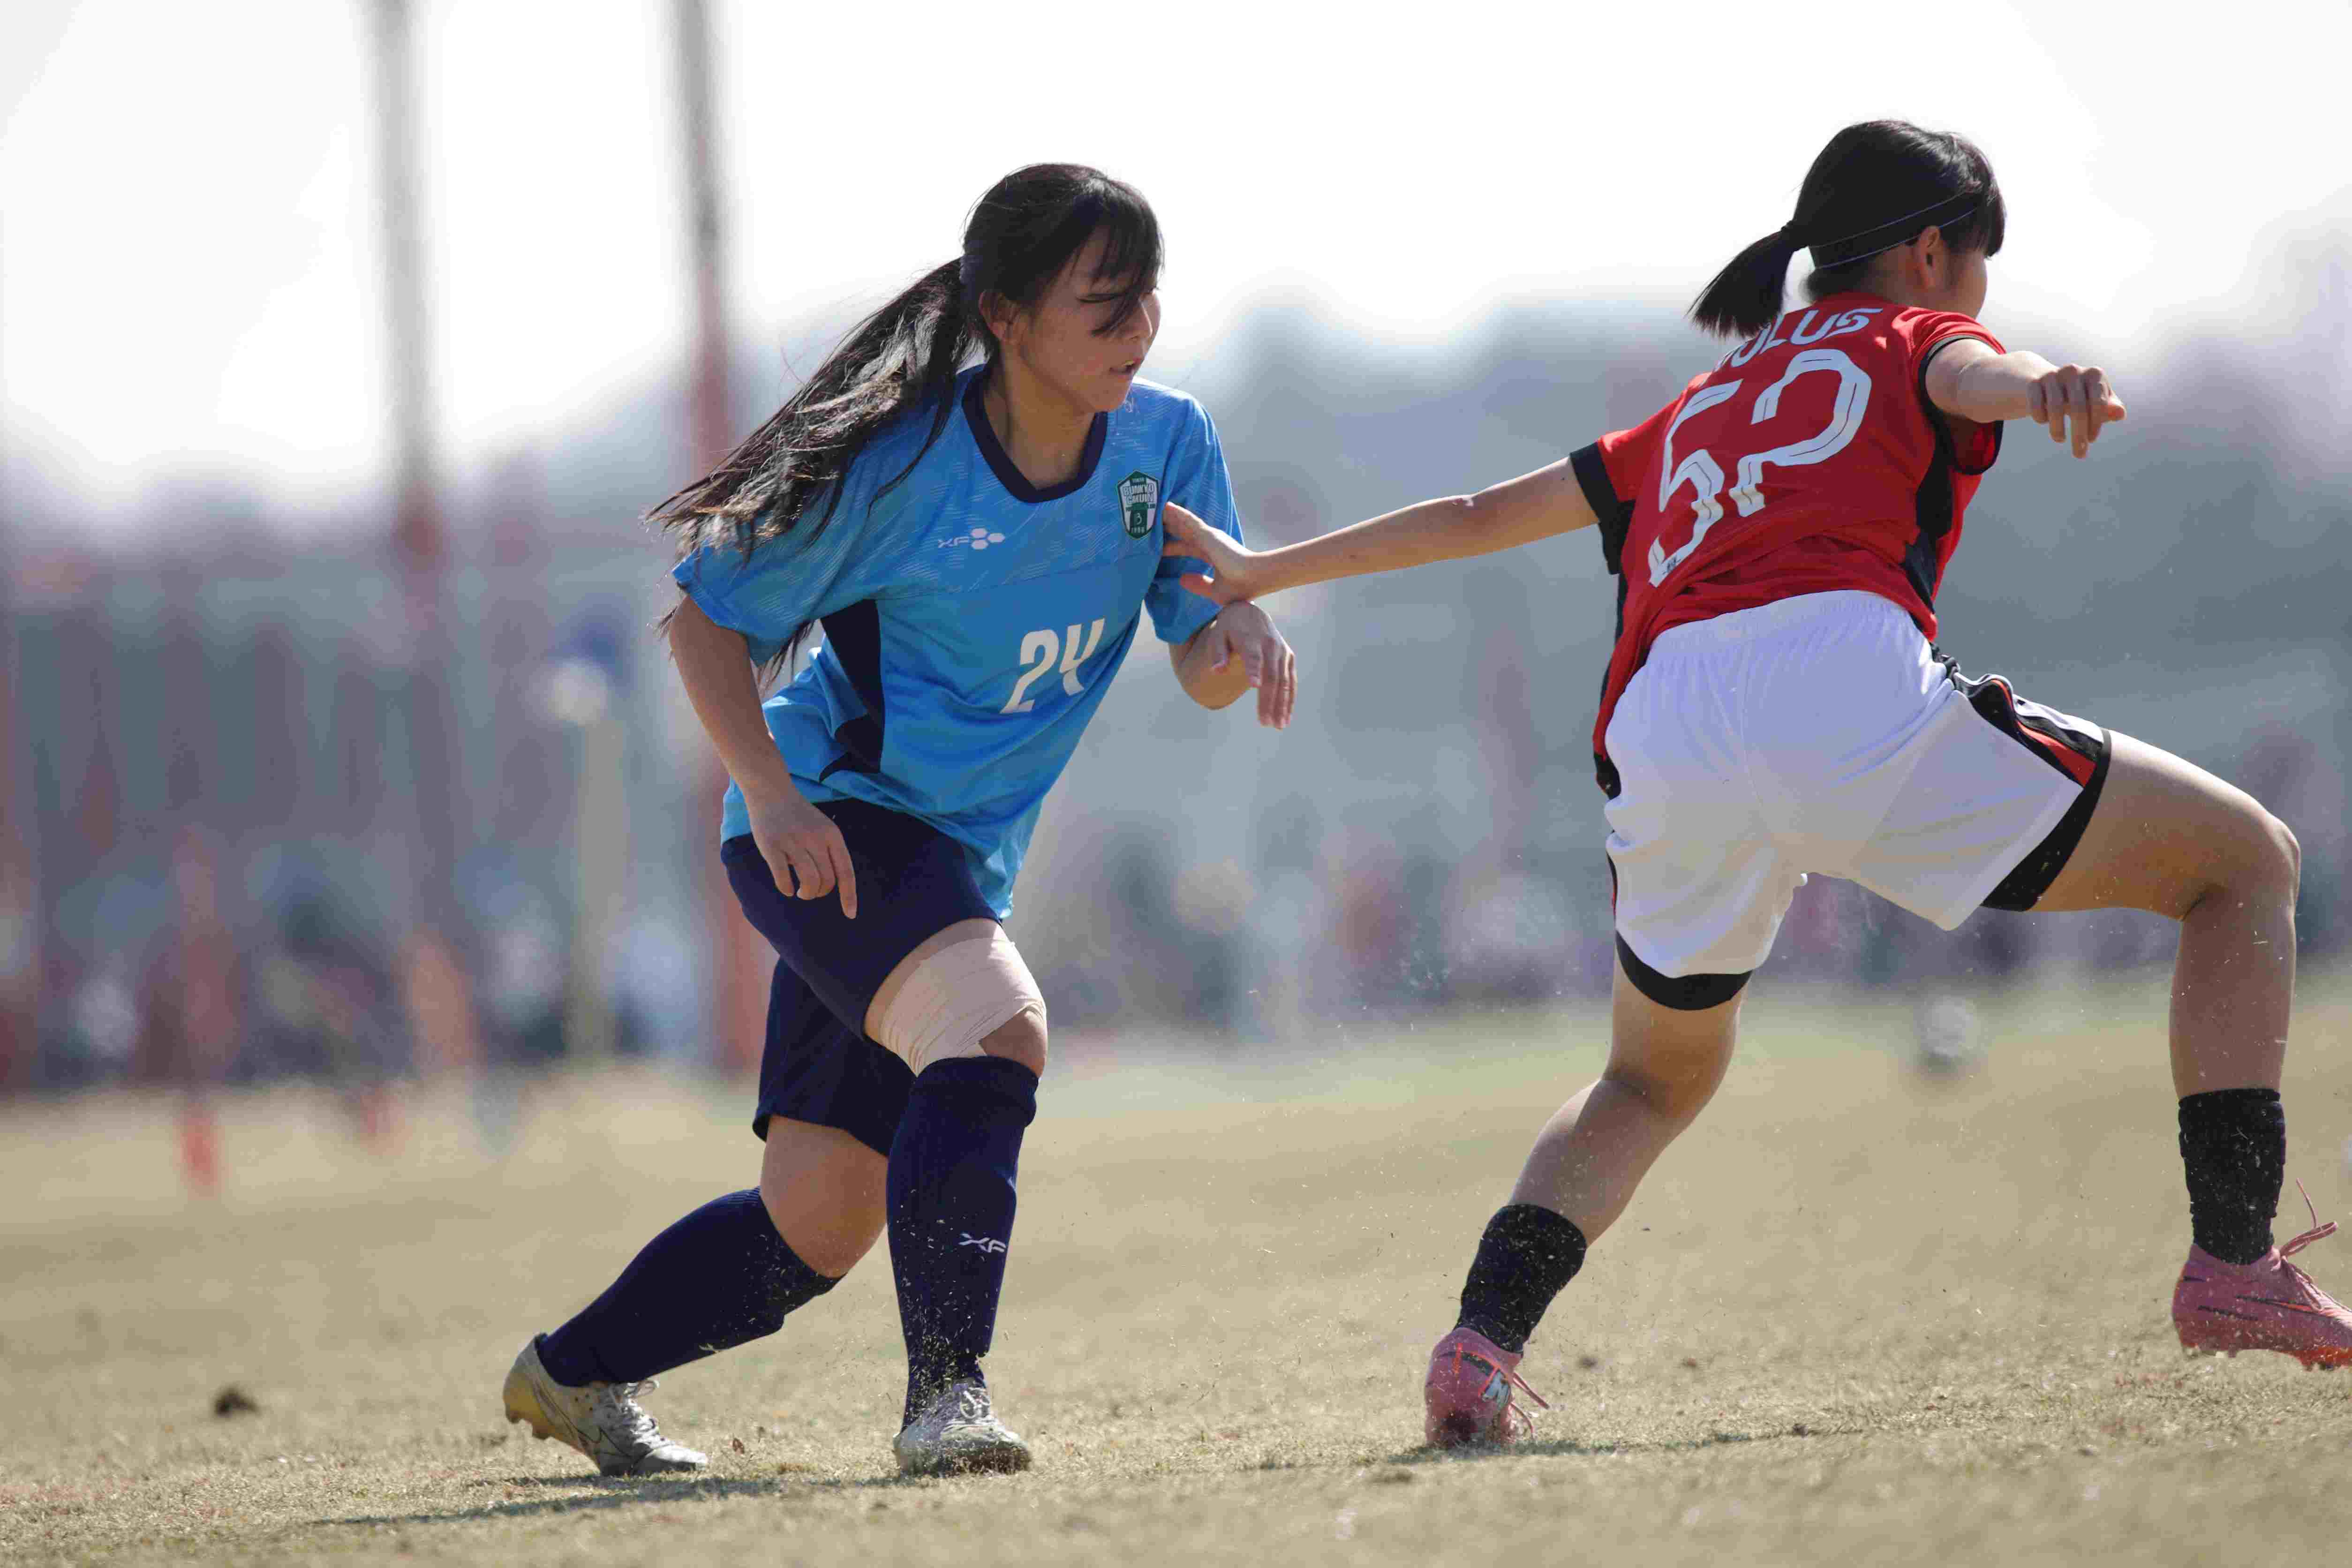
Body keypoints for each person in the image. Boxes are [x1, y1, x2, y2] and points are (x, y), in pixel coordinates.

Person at [1157, 119, 2344, 1447]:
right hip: (1836, 685)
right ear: (1930, 253)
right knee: (2246, 865)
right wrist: (2042, 386)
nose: (1977, 291)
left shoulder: (1702, 403)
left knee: (1649, 1080)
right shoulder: (1912, 333)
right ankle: (2235, 1261)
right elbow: (1969, 373)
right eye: (1977, 263)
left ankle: (1481, 1345)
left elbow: (1481, 517)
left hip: (1663, 728)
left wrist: (1268, 570)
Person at [501, 164, 1297, 1477]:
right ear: (1007, 317)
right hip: (832, 822)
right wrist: (770, 795)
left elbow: (1198, 656)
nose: (1138, 330)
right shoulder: (906, 469)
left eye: (1147, 298)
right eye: (1103, 305)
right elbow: (701, 626)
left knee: (810, 1231)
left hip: (951, 863)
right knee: (998, 1031)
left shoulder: (1166, 444)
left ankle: (572, 1374)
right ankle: (948, 1403)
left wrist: (1241, 636)